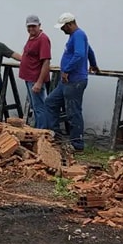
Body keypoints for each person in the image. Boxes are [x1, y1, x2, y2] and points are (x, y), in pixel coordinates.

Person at [44, 12, 99, 151]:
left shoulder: (78, 35)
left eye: (63, 27)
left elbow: (80, 54)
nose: (62, 30)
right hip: (67, 82)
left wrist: (67, 70)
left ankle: (77, 144)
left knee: (73, 112)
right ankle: (56, 136)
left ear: (70, 24)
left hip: (74, 81)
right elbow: (89, 50)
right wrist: (93, 63)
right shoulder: (76, 37)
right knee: (50, 102)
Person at [19, 14, 52, 129]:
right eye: (29, 27)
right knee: (35, 106)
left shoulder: (43, 39)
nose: (31, 29)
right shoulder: (32, 37)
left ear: (39, 25)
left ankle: (42, 133)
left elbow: (46, 62)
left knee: (40, 107)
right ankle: (38, 129)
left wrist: (39, 82)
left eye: (33, 26)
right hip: (28, 78)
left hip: (35, 79)